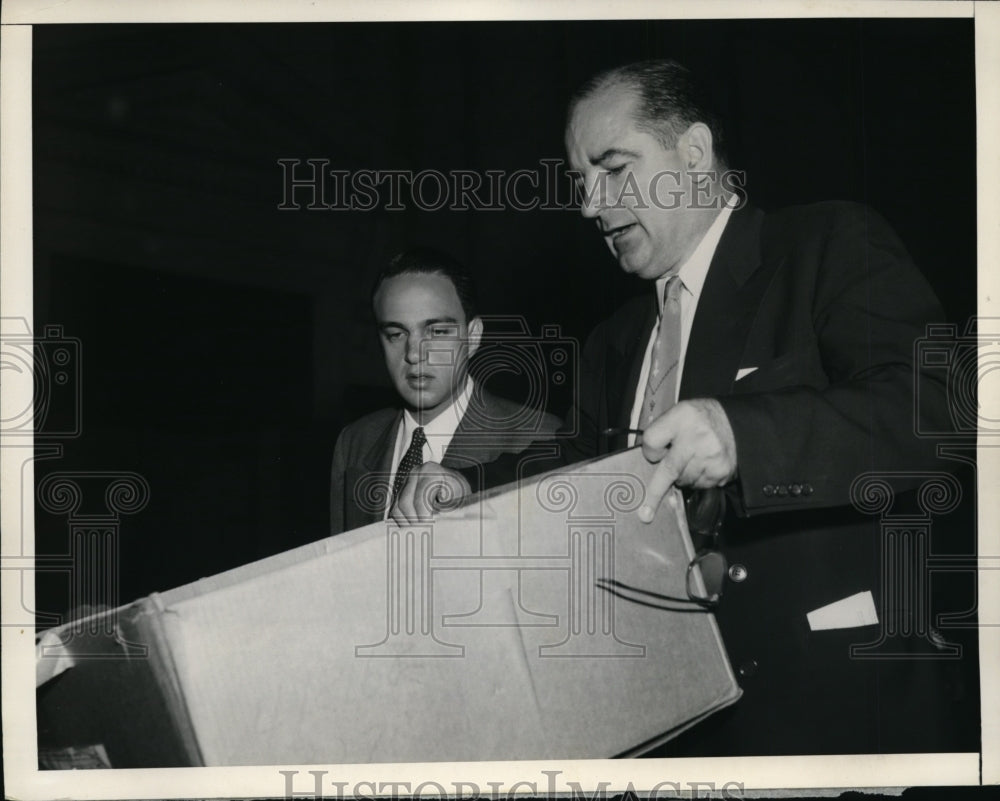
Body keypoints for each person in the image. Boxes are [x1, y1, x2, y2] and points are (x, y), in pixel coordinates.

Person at [392, 61, 970, 755]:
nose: (588, 206)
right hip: (665, 713)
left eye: (612, 169)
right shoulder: (616, 338)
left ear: (693, 153)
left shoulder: (826, 245)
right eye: (581, 183)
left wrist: (743, 437)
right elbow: (574, 469)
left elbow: (938, 413)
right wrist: (469, 488)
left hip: (829, 711)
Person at [329, 247, 561, 535]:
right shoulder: (355, 442)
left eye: (437, 332)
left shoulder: (540, 438)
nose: (414, 353)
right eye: (396, 334)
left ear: (473, 336)